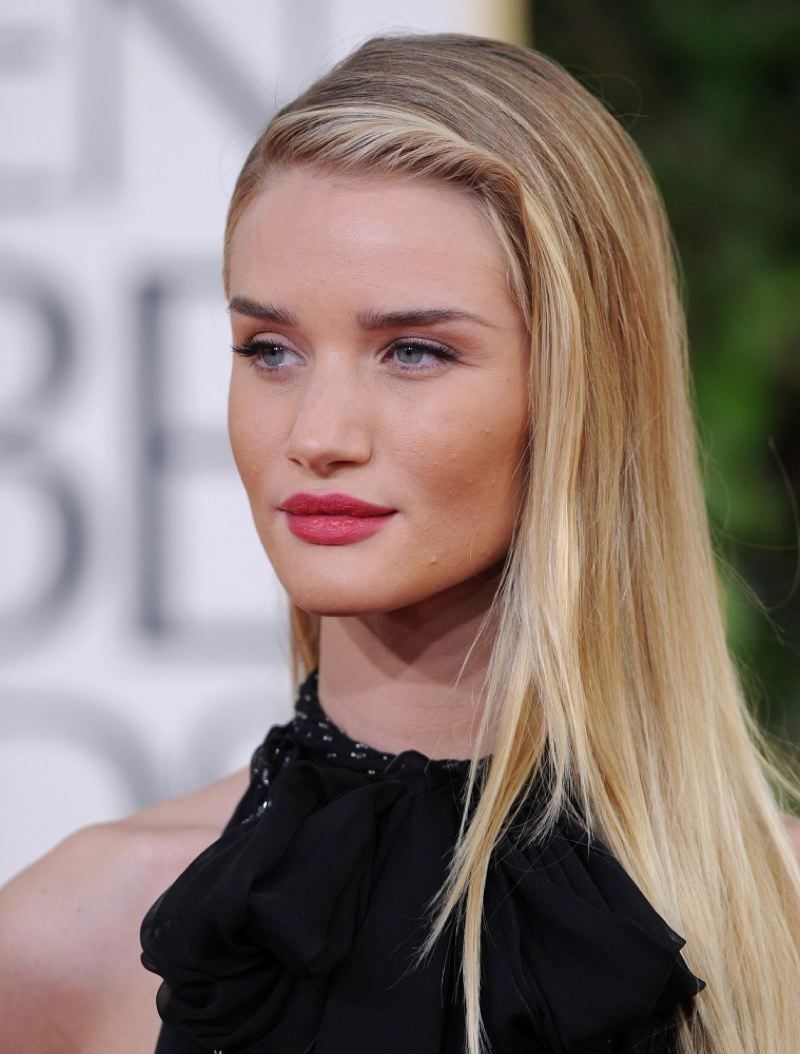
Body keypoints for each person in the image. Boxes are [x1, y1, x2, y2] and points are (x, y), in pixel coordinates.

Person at [1, 30, 799, 1054]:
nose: (317, 434)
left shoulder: (773, 922)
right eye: (269, 350)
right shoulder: (75, 938)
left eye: (413, 351)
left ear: (578, 390)